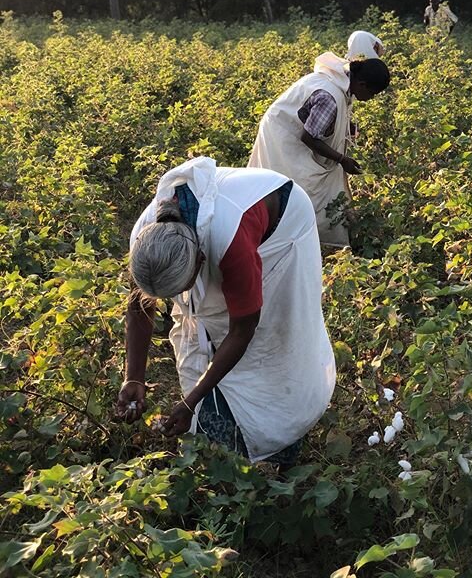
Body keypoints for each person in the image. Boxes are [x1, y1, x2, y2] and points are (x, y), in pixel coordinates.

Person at [116, 156, 336, 465]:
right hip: (235, 224)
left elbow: (244, 328)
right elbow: (139, 306)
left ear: (201, 262)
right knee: (207, 320)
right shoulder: (146, 238)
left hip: (283, 225)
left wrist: (191, 402)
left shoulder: (231, 241)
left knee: (274, 337)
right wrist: (133, 377)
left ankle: (285, 421)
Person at [248, 52, 391, 247]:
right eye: (372, 94)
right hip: (283, 135)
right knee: (299, 191)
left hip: (292, 128)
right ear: (362, 85)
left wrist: (346, 127)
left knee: (299, 190)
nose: (371, 98)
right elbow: (308, 137)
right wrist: (342, 159)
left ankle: (303, 238)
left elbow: (329, 118)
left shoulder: (342, 80)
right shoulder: (329, 98)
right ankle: (299, 241)